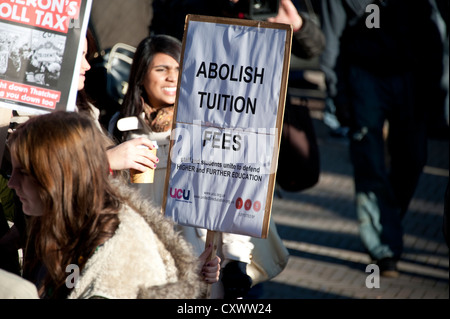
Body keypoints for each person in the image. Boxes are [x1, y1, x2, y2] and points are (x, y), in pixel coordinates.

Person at [6, 110, 219, 299]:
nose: (11, 183)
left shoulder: (118, 251)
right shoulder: (57, 228)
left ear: (64, 174)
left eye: (23, 172)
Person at [319, 0, 447, 277]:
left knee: (413, 157)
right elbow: (331, 39)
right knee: (370, 162)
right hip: (363, 73)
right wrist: (337, 94)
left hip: (411, 71)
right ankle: (383, 248)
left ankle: (386, 221)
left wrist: (437, 89)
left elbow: (433, 26)